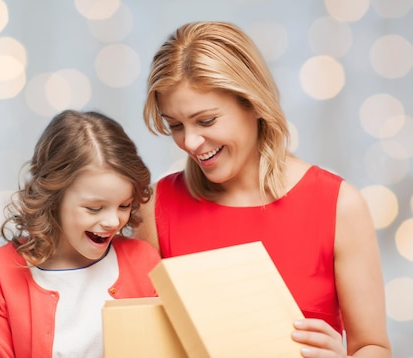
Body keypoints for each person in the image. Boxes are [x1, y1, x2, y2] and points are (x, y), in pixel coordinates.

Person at [137, 21, 391, 357]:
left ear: (254, 103)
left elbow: (373, 346)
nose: (191, 142)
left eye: (207, 120)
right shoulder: (155, 209)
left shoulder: (339, 206)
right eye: (175, 126)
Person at [0, 109, 162, 358]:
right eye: (94, 208)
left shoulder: (144, 263)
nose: (113, 221)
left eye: (124, 205)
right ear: (54, 198)